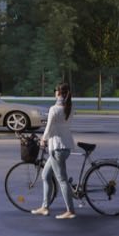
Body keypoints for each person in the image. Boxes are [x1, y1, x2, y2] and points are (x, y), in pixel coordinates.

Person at [32, 83, 77, 218]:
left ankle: (70, 210)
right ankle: (44, 207)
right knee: (45, 175)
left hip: (57, 147)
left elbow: (49, 127)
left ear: (58, 93)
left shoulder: (54, 109)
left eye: (55, 90)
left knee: (62, 180)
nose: (54, 92)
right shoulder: (70, 107)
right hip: (66, 145)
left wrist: (43, 139)